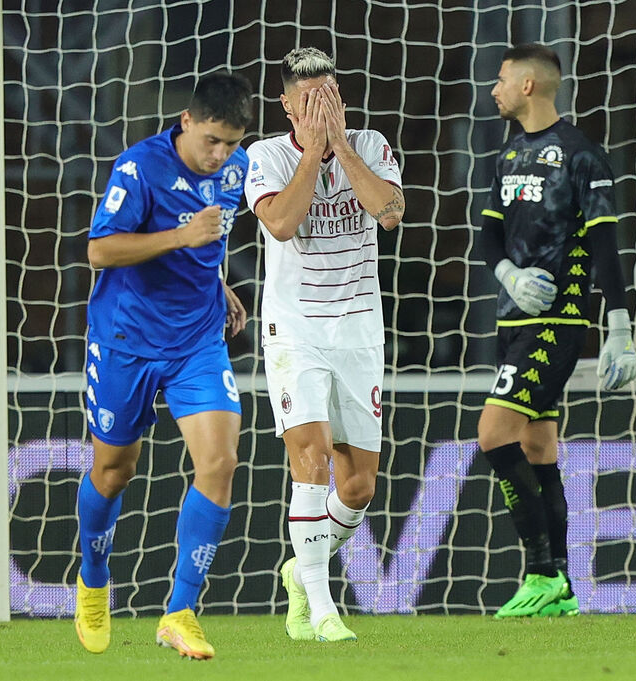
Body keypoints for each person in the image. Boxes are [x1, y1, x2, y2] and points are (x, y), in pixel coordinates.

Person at [74, 72, 253, 659]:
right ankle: (94, 578)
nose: (221, 155)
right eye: (211, 141)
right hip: (126, 338)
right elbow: (100, 250)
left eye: (232, 142)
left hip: (197, 341)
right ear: (186, 122)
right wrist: (180, 236)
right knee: (114, 471)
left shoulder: (238, 168)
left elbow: (210, 243)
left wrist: (219, 283)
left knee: (221, 461)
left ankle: (179, 610)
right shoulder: (138, 168)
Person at [244, 47, 404, 642]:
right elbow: (282, 223)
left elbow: (389, 212)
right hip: (296, 328)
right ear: (286, 104)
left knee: (359, 485)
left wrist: (338, 145)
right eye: (310, 98)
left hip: (359, 328)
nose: (323, 106)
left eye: (330, 94)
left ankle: (300, 566)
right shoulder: (265, 156)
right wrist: (313, 151)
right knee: (308, 461)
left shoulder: (371, 146)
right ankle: (322, 605)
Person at [476, 43, 636, 618]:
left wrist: (618, 323)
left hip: (558, 320)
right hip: (512, 318)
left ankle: (541, 572)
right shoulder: (505, 154)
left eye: (500, 80)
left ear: (528, 86)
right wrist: (507, 274)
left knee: (493, 435)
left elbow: (605, 245)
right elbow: (488, 236)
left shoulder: (581, 155)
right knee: (538, 446)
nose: (492, 90)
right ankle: (562, 588)